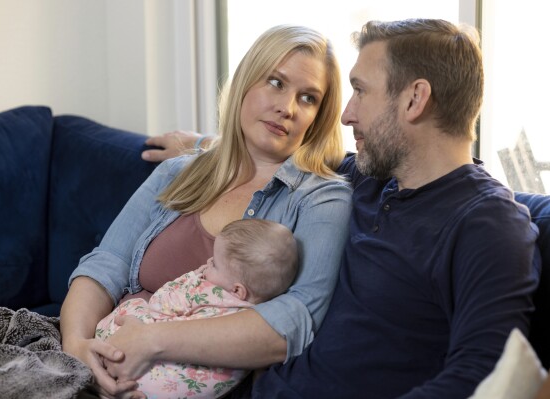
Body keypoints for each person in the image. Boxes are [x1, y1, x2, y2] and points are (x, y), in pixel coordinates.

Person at [144, 19, 541, 398]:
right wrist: (204, 146)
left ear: (415, 99)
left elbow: (484, 377)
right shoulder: (366, 178)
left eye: (361, 91)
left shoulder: (488, 225)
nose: (347, 114)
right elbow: (280, 152)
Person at [60, 24, 353, 399]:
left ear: (319, 117)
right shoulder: (178, 171)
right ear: (246, 82)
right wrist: (77, 346)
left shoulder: (321, 199)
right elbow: (107, 263)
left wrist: (153, 340)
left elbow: (295, 321)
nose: (288, 107)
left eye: (308, 98)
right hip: (106, 353)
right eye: (276, 83)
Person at [95, 219, 298, 399]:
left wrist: (193, 277)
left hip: (144, 370)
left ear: (237, 290)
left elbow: (161, 305)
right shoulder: (254, 321)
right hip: (180, 391)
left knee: (135, 307)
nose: (207, 263)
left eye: (215, 265)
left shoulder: (208, 292)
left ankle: (102, 348)